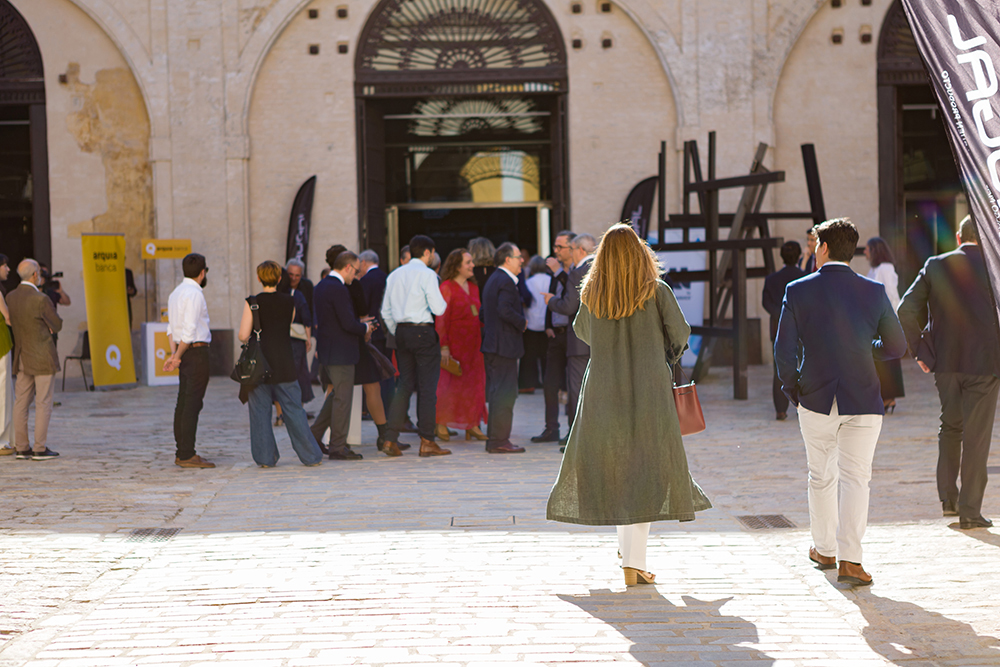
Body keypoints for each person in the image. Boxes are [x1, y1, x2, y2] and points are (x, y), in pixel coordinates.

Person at [547, 224, 712, 586]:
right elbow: (680, 334)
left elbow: (583, 332)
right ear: (640, 252)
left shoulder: (591, 292)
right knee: (646, 470)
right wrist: (661, 352)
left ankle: (630, 559)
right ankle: (633, 561)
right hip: (649, 388)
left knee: (617, 469)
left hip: (603, 387)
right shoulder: (656, 289)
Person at [775, 218, 906, 586]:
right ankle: (851, 561)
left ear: (824, 248)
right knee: (856, 479)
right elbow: (896, 346)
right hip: (862, 395)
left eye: (816, 246)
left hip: (814, 396)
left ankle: (825, 550)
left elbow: (784, 350)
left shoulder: (797, 290)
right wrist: (866, 348)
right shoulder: (873, 291)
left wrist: (792, 389)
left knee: (821, 476)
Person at [897, 215, 1000, 529]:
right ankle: (970, 511)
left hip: (945, 363)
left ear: (958, 237)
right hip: (985, 364)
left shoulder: (935, 265)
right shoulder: (995, 266)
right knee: (976, 437)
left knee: (951, 427)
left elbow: (905, 310)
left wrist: (921, 351)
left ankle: (948, 500)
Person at [238, 261, 324, 468]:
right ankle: (311, 456)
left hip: (259, 364)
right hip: (285, 361)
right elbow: (287, 325)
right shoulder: (289, 301)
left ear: (259, 278)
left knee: (260, 412)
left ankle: (265, 458)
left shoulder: (253, 302)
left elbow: (242, 335)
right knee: (294, 410)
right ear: (279, 279)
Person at [380, 235, 450, 457]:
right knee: (427, 388)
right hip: (422, 331)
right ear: (427, 252)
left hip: (401, 332)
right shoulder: (428, 274)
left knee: (404, 386)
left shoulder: (394, 275)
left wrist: (397, 331)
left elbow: (385, 311)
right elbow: (438, 308)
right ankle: (427, 440)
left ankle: (390, 439)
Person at [311, 250, 372, 460]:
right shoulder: (338, 288)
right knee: (343, 399)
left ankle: (314, 434)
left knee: (337, 395)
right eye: (355, 271)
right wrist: (365, 328)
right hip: (341, 352)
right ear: (347, 267)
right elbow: (347, 323)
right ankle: (338, 447)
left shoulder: (321, 285)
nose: (356, 276)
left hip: (329, 350)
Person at [543, 233, 597, 449]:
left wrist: (551, 301)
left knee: (577, 391)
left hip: (579, 342)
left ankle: (577, 441)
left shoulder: (578, 272)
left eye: (572, 249)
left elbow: (568, 306)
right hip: (599, 340)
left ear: (580, 250)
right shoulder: (602, 269)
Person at [7, 259, 62, 460]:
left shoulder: (11, 297)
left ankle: (22, 447)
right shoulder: (41, 299)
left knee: (21, 402)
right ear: (35, 275)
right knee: (43, 402)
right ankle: (39, 448)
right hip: (42, 356)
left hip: (22, 355)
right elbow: (57, 325)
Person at [163, 254, 215, 468]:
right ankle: (186, 454)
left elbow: (170, 329)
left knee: (183, 402)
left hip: (184, 352)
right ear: (202, 273)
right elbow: (190, 330)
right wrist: (176, 356)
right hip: (196, 352)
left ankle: (182, 451)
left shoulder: (175, 293)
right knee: (192, 403)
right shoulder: (195, 294)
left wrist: (174, 354)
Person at [434, 248, 488, 442]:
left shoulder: (473, 287)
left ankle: (472, 424)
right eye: (468, 262)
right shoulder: (446, 287)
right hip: (454, 344)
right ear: (457, 266)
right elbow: (441, 319)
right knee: (449, 385)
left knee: (474, 384)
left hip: (474, 345)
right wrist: (444, 346)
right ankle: (441, 422)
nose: (472, 265)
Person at [480, 242, 527, 454]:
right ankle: (499, 440)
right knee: (505, 394)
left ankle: (495, 439)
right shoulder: (506, 282)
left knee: (497, 393)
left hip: (493, 344)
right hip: (504, 347)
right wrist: (522, 322)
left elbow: (484, 313)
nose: (522, 261)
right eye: (518, 257)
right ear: (508, 260)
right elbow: (504, 310)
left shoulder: (493, 279)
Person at [532, 231, 575, 443]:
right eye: (555, 247)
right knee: (550, 384)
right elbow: (550, 299)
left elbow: (571, 296)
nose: (555, 251)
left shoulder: (576, 271)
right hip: (555, 335)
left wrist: (558, 271)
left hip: (573, 336)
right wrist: (548, 325)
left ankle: (573, 432)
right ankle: (551, 428)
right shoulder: (554, 273)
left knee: (573, 385)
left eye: (560, 247)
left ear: (572, 248)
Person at [762, 241, 805, 421]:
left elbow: (766, 302)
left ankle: (780, 410)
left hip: (778, 328)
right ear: (799, 256)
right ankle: (803, 406)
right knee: (805, 366)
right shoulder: (805, 278)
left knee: (779, 369)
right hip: (802, 329)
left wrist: (780, 314)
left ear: (781, 256)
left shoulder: (772, 279)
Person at [864, 237, 905, 413]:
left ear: (874, 250)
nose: (864, 252)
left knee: (888, 361)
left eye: (867, 249)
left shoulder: (885, 268)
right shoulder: (874, 269)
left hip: (885, 320)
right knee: (879, 361)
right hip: (875, 320)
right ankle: (883, 396)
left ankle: (889, 397)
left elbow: (892, 295)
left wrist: (893, 322)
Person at [358, 249, 395, 430]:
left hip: (372, 331)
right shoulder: (387, 277)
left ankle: (378, 414)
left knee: (374, 377)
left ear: (363, 262)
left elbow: (362, 307)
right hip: (388, 330)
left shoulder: (366, 281)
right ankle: (390, 412)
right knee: (388, 372)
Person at [520, 254, 551, 394]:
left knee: (529, 357)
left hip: (531, 322)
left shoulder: (528, 282)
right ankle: (547, 382)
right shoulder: (550, 280)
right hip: (546, 324)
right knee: (546, 356)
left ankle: (528, 384)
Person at [0, 278, 13, 455]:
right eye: (4, 266)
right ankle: (2, 439)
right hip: (1, 343)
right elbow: (8, 318)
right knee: (3, 389)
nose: (7, 269)